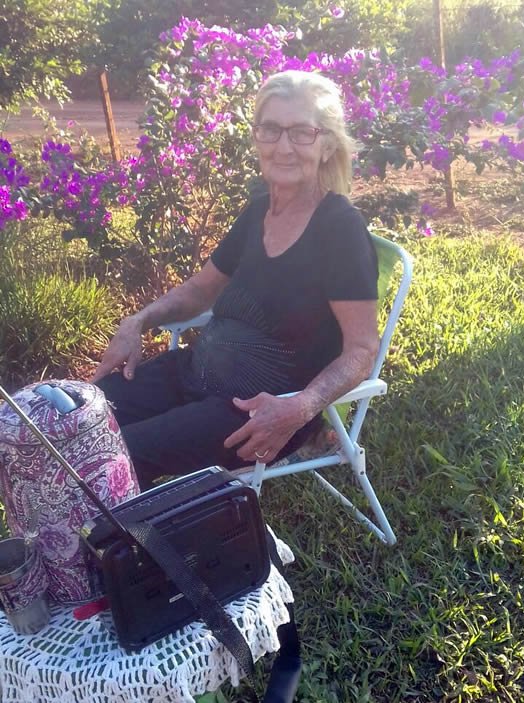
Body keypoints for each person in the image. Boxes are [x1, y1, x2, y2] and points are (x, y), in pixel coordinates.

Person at [93, 70, 380, 491]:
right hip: (192, 373)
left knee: (108, 458)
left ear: (327, 146)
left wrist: (304, 407)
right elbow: (200, 289)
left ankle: (97, 529)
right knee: (77, 416)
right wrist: (139, 320)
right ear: (257, 137)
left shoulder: (340, 230)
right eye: (271, 129)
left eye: (302, 132)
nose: (284, 147)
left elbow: (362, 350)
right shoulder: (259, 210)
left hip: (257, 411)